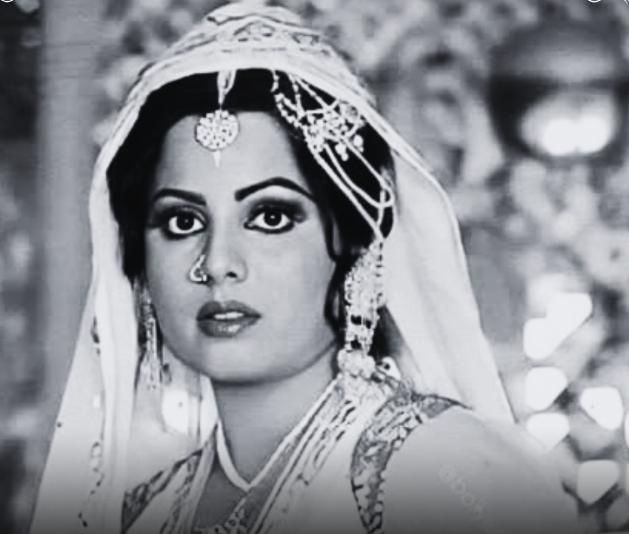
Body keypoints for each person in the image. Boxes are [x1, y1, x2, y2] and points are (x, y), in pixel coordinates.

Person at [30, 3, 578, 534]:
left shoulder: (443, 472)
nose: (217, 263)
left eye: (270, 217)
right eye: (182, 221)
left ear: (353, 243)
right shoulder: (146, 511)